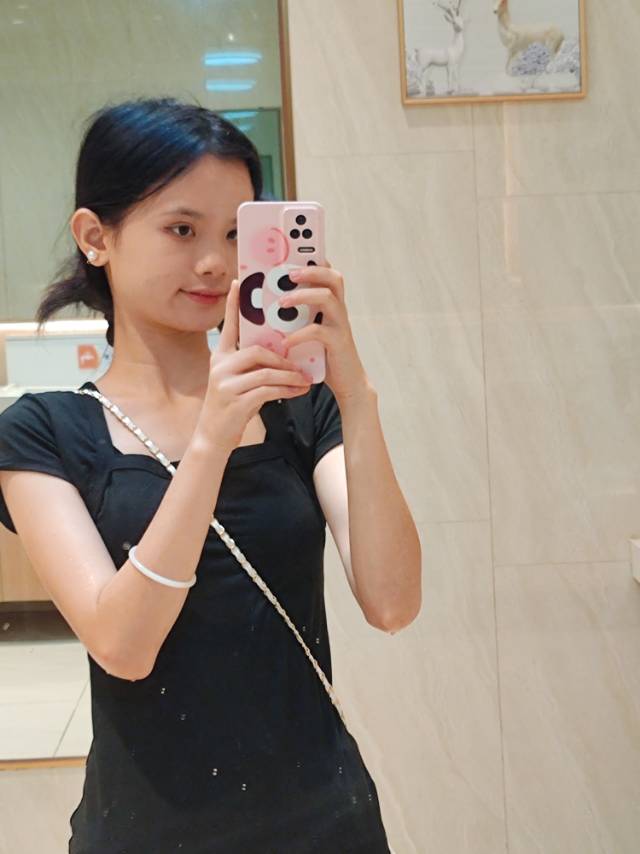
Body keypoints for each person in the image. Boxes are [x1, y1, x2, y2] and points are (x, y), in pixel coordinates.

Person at [0, 97, 421, 853]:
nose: (216, 264)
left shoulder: (300, 410)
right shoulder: (43, 434)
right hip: (145, 832)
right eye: (181, 229)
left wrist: (357, 397)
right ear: (96, 237)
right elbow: (123, 644)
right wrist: (210, 441)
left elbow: (393, 602)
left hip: (325, 824)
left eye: (235, 233)